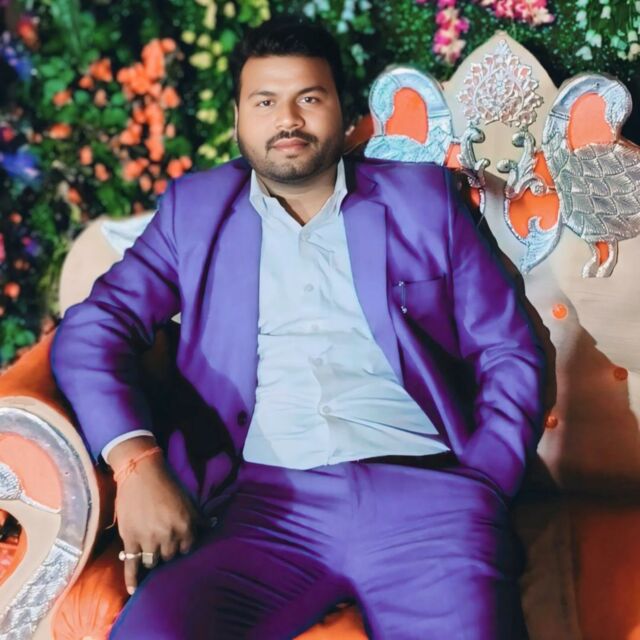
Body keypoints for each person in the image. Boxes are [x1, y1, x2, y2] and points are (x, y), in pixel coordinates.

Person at [50, 15, 551, 640]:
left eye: (309, 98)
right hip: (262, 513)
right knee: (155, 631)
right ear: (238, 118)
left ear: (345, 114)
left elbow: (509, 349)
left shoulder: (422, 202)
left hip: (426, 497)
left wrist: (485, 483)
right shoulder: (195, 214)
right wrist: (135, 462)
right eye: (265, 102)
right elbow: (94, 328)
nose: (287, 120)